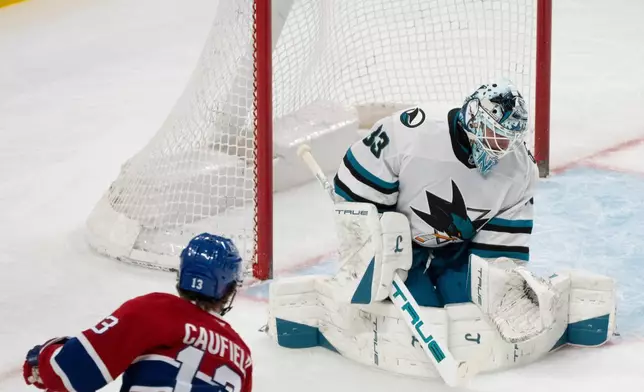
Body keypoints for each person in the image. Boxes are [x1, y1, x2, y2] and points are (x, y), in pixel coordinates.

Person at [333, 80, 536, 308]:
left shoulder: (521, 171)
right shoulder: (412, 132)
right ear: (474, 119)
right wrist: (383, 248)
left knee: (474, 307)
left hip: (460, 250)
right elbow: (354, 189)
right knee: (413, 305)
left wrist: (496, 284)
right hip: (401, 245)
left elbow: (499, 253)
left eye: (509, 138)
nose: (502, 146)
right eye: (495, 133)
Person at [23, 233, 252, 392]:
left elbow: (71, 373)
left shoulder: (155, 310)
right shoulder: (242, 355)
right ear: (229, 288)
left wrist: (40, 360)